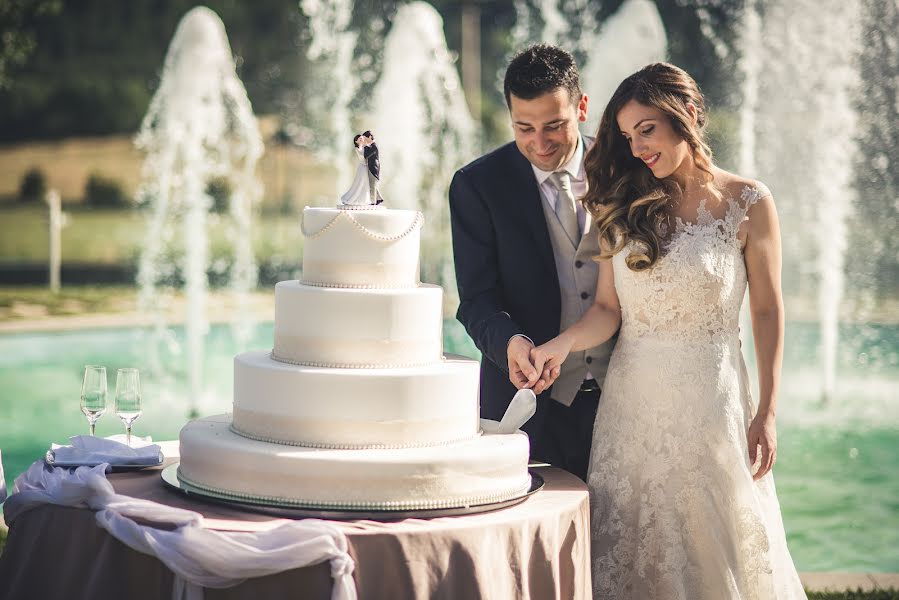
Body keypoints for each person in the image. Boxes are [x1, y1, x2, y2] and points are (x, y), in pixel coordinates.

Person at [530, 62, 807, 598]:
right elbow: (608, 309)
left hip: (713, 403)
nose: (636, 149)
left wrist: (767, 412)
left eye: (647, 130)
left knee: (717, 549)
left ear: (688, 116)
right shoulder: (619, 204)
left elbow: (768, 314)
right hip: (632, 406)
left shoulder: (749, 203)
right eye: (629, 135)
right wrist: (560, 345)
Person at [449, 44, 616, 481]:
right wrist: (510, 345)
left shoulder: (623, 170)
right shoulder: (477, 186)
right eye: (524, 127)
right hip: (529, 405)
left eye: (554, 126)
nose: (539, 143)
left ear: (581, 107)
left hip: (625, 394)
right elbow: (476, 300)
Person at [339, 134, 371, 206]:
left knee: (365, 184)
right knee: (360, 183)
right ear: (356, 141)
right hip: (363, 168)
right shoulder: (358, 149)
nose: (362, 140)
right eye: (360, 139)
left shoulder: (364, 147)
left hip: (366, 167)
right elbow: (363, 158)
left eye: (362, 139)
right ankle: (351, 199)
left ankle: (364, 199)